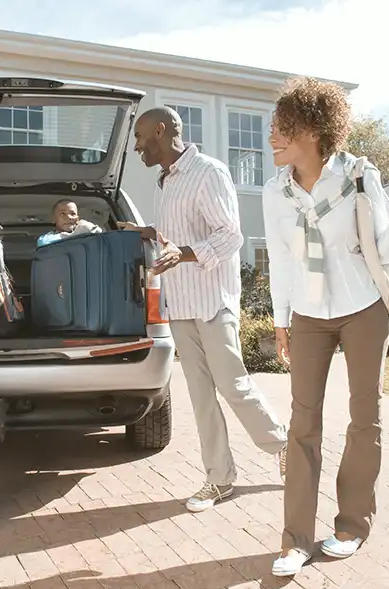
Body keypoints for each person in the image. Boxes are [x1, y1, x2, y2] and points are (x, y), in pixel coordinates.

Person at [263, 77, 389, 577]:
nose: (272, 137)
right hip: (308, 314)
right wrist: (281, 320)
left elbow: (382, 245)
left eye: (282, 128)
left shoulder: (358, 175)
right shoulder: (275, 193)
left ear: (314, 130)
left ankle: (352, 526)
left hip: (362, 308)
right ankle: (295, 539)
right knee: (302, 424)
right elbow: (280, 261)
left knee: (364, 418)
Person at [119, 106, 288, 513]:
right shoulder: (164, 182)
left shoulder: (208, 172)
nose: (137, 146)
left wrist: (185, 253)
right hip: (180, 304)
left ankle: (284, 444)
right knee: (200, 395)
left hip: (212, 301)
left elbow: (230, 237)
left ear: (161, 131)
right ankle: (219, 478)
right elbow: (175, 235)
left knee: (233, 385)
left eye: (140, 136)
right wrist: (148, 234)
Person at [36, 199, 102, 247]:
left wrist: (83, 225)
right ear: (54, 219)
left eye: (73, 214)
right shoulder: (45, 239)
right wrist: (76, 234)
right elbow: (44, 242)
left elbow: (98, 231)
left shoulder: (85, 233)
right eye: (62, 214)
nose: (69, 217)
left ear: (77, 219)